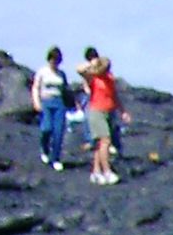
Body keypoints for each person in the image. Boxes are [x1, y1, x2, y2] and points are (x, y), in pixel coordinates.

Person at [77, 48, 126, 185]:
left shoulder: (109, 78)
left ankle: (96, 172)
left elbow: (114, 95)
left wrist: (122, 111)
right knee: (105, 141)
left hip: (109, 111)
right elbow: (79, 69)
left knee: (101, 144)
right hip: (97, 111)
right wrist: (93, 65)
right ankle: (107, 171)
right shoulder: (93, 78)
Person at [31, 47, 70, 170]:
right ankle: (44, 149)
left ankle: (56, 158)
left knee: (58, 131)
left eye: (57, 60)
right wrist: (36, 102)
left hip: (59, 103)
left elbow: (65, 90)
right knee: (46, 128)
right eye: (53, 60)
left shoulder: (61, 74)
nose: (55, 62)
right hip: (46, 102)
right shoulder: (42, 72)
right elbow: (36, 87)